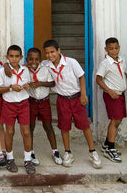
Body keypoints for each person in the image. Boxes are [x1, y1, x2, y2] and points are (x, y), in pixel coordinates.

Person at [43, 39, 102, 169]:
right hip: (62, 100)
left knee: (85, 125)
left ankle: (92, 152)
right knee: (64, 127)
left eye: (52, 52)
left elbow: (81, 76)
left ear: (58, 50)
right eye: (47, 53)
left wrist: (83, 94)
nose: (50, 55)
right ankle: (68, 152)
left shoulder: (71, 62)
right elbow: (32, 64)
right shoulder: (46, 65)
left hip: (76, 98)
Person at [0, 45, 34, 174]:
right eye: (11, 56)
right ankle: (10, 159)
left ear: (21, 57)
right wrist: (11, 87)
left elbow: (28, 84)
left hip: (23, 103)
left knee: (26, 132)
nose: (14, 59)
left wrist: (27, 86)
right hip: (9, 104)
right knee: (9, 132)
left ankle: (28, 160)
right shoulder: (2, 71)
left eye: (17, 56)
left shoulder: (25, 70)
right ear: (7, 57)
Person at [95, 37, 127, 163]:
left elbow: (120, 75)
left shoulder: (121, 61)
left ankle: (107, 144)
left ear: (119, 48)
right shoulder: (105, 63)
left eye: (116, 48)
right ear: (106, 49)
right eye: (111, 49)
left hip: (120, 95)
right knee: (114, 120)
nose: (114, 51)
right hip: (112, 96)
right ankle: (110, 149)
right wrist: (110, 91)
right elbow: (99, 79)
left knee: (118, 119)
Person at [25, 47, 62, 166]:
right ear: (27, 59)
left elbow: (52, 83)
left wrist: (39, 83)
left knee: (48, 126)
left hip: (44, 101)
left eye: (36, 59)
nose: (34, 62)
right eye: (31, 59)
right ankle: (30, 152)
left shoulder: (45, 69)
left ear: (41, 60)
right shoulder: (24, 69)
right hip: (31, 102)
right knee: (30, 127)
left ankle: (55, 151)